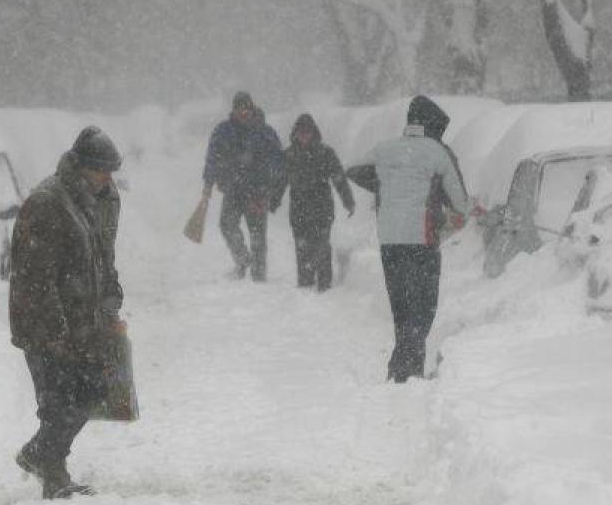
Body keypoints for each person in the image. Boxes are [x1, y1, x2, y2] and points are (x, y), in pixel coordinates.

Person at [9, 126, 127, 499]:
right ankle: (54, 474)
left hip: (86, 320)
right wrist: (54, 333)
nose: (107, 179)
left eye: (111, 172)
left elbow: (103, 256)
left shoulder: (104, 199)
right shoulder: (48, 202)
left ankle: (38, 454)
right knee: (58, 401)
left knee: (93, 391)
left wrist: (111, 301)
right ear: (80, 167)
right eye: (100, 171)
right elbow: (34, 277)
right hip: (46, 322)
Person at [346, 96, 469, 383]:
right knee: (424, 307)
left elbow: (353, 170)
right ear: (434, 125)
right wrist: (437, 193)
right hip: (422, 240)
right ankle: (405, 371)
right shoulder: (439, 153)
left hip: (390, 240)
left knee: (401, 306)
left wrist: (383, 184)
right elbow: (460, 203)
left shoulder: (384, 150)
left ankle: (404, 369)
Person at [201, 91, 283, 281]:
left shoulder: (265, 132)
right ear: (234, 110)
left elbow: (278, 161)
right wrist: (208, 184)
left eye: (246, 108)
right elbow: (212, 159)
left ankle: (259, 276)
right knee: (227, 225)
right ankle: (243, 258)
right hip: (233, 190)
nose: (243, 112)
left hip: (258, 193)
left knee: (258, 236)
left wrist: (271, 187)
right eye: (239, 108)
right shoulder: (223, 131)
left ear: (252, 108)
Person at [270, 113, 355, 291]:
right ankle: (305, 283)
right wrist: (273, 200)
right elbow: (280, 181)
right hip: (298, 211)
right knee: (302, 248)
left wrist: (348, 201)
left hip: (322, 209)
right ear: (295, 134)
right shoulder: (289, 155)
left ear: (313, 133)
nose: (304, 136)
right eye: (301, 132)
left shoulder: (326, 153)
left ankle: (325, 284)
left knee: (322, 245)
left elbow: (339, 178)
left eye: (307, 132)